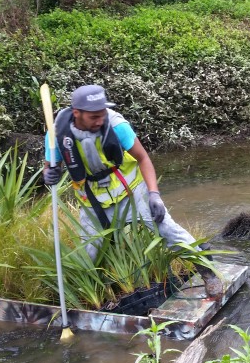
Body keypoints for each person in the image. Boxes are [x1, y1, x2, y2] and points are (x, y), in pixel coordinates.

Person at [43, 84, 223, 298]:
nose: (100, 120)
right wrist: (48, 175)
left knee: (166, 229)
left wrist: (154, 194)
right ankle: (93, 296)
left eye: (102, 114)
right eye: (94, 117)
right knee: (89, 253)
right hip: (92, 200)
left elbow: (143, 158)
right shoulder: (57, 135)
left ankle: (208, 272)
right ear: (77, 113)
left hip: (131, 190)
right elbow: (50, 166)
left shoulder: (117, 125)